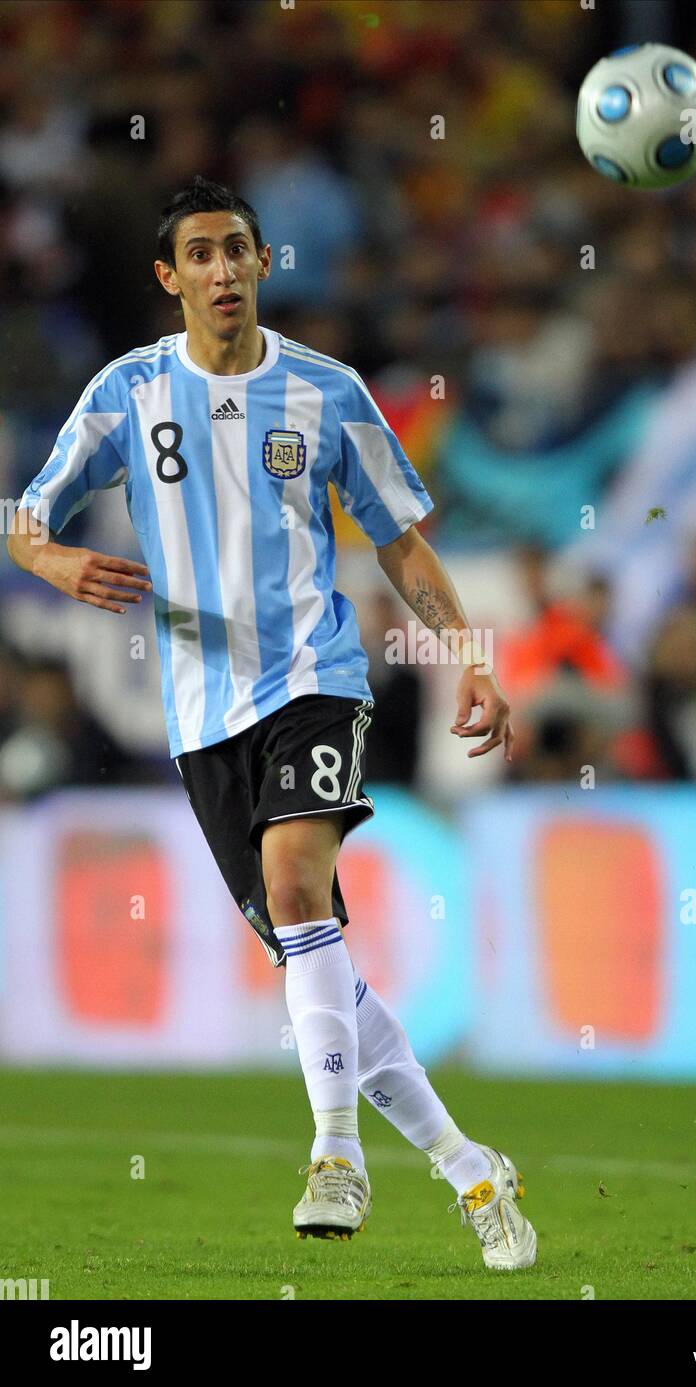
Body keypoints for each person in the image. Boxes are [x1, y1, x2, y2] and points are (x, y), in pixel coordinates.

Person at [7, 176, 535, 1271]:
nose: (222, 270)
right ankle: (469, 1167)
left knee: (298, 887)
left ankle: (334, 1153)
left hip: (315, 675)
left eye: (237, 250)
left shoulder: (327, 392)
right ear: (169, 278)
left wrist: (467, 655)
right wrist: (51, 556)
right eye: (198, 254)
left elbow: (396, 538)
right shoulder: (126, 391)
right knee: (318, 966)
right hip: (203, 716)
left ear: (261, 264)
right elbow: (26, 517)